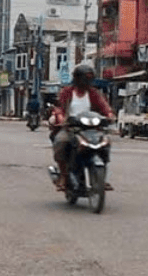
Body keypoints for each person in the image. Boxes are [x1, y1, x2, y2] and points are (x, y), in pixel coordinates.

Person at [49, 64, 114, 192]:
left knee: (105, 143)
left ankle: (102, 177)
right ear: (77, 78)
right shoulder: (67, 92)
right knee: (61, 142)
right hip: (71, 128)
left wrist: (109, 115)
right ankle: (64, 176)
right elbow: (60, 108)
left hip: (92, 129)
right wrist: (61, 118)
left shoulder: (94, 93)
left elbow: (104, 106)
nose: (86, 81)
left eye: (89, 78)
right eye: (85, 78)